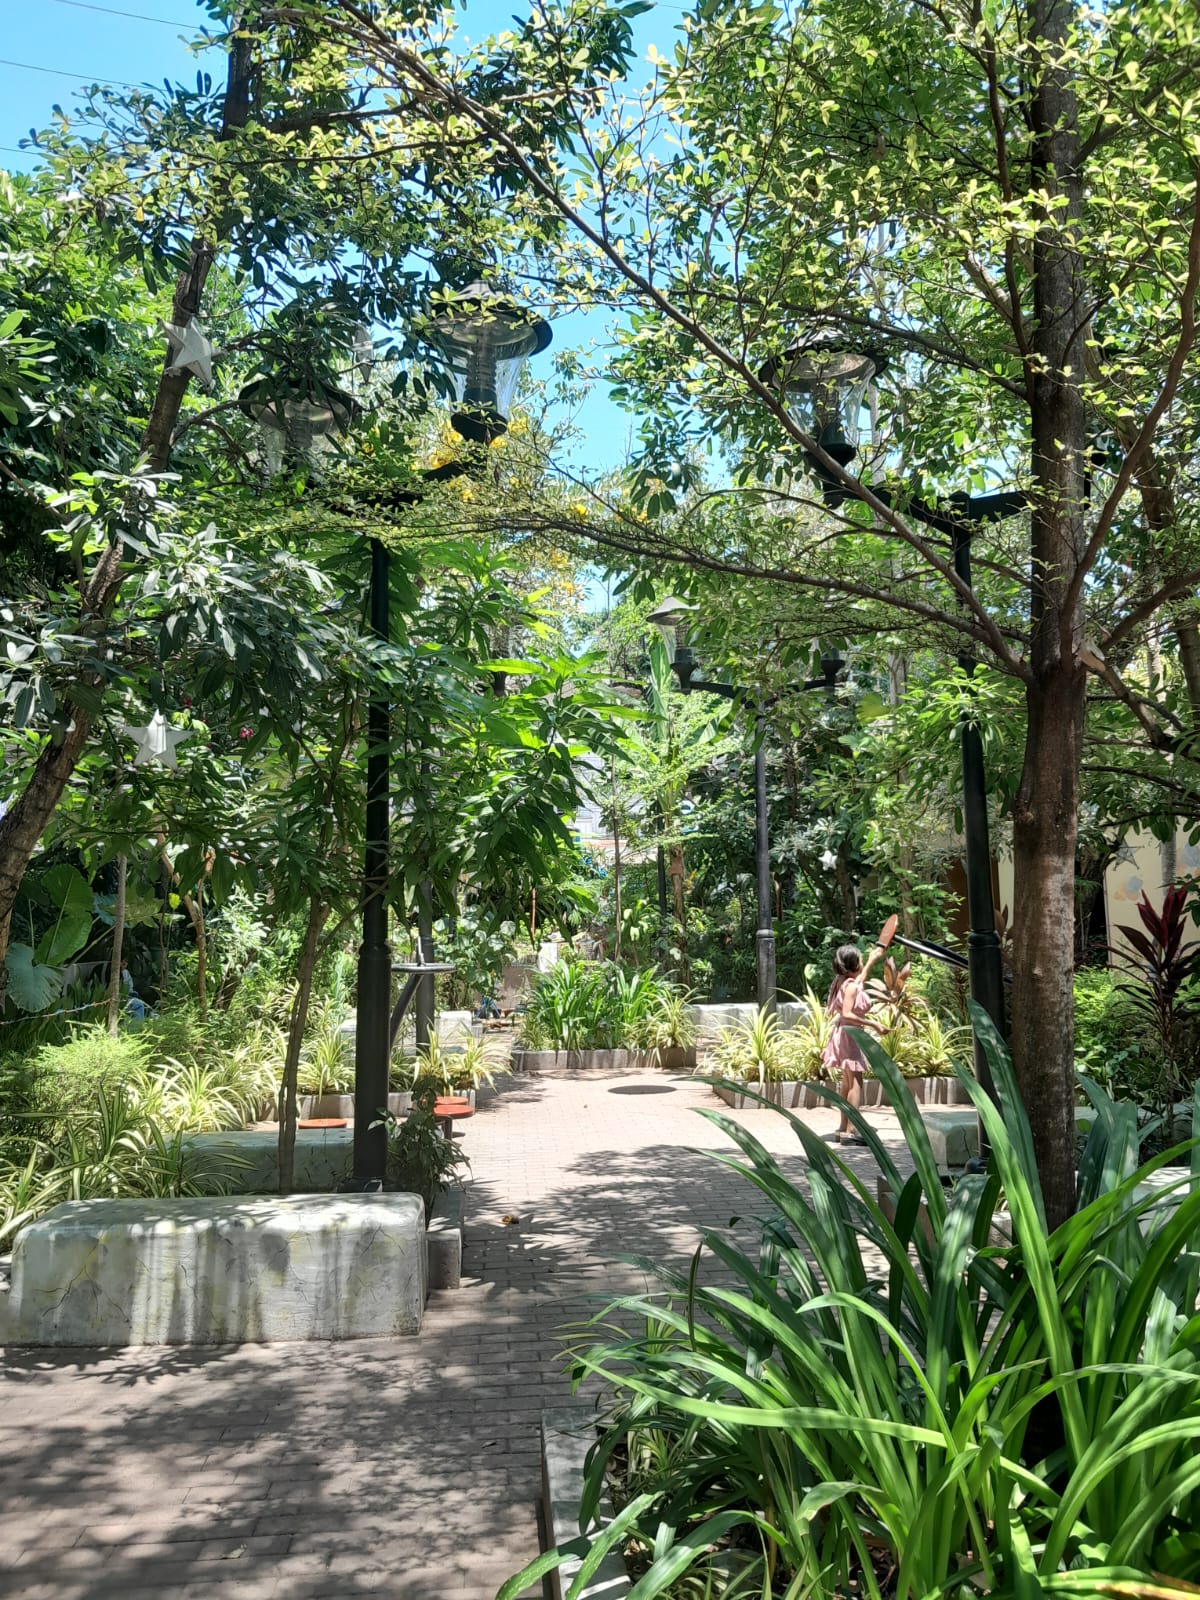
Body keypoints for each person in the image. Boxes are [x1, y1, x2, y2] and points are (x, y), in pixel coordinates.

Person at [822, 941, 885, 1143]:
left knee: (847, 1082)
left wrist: (873, 960)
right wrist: (873, 1024)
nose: (862, 960)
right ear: (853, 964)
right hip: (851, 1035)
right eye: (861, 959)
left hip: (843, 1034)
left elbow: (859, 980)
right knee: (855, 1084)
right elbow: (848, 1013)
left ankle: (842, 1128)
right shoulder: (850, 987)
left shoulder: (843, 981)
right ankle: (851, 1131)